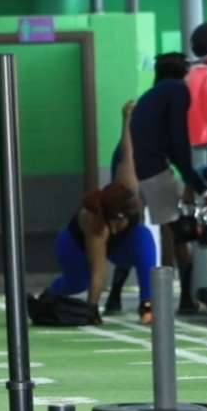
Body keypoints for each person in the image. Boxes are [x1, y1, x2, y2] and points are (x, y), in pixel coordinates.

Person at [103, 53, 207, 315]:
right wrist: (199, 185)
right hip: (151, 166)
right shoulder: (177, 90)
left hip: (124, 165)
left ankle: (114, 297)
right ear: (184, 71)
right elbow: (178, 141)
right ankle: (186, 299)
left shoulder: (152, 94)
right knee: (179, 228)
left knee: (130, 228)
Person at [49, 102, 157, 324]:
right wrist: (91, 311)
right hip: (73, 247)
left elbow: (127, 152)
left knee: (144, 238)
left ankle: (148, 304)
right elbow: (99, 273)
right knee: (79, 283)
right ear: (119, 216)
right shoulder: (94, 223)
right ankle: (50, 295)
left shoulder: (128, 185)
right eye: (134, 205)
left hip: (117, 244)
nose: (139, 202)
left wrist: (126, 119)